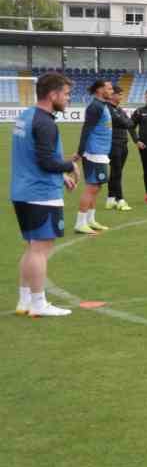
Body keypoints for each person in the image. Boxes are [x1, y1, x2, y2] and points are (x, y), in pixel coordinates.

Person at [12, 72, 79, 318]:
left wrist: (61, 175)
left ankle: (24, 300)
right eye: (67, 94)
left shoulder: (26, 115)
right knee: (41, 249)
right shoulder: (45, 123)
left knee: (32, 248)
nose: (69, 98)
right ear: (53, 95)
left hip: (23, 191)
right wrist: (68, 166)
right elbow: (47, 162)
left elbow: (35, 156)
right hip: (40, 193)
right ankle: (38, 303)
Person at [72, 79, 114, 234]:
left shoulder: (103, 105)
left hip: (100, 152)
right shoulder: (95, 107)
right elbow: (86, 129)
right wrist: (80, 152)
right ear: (99, 90)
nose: (112, 91)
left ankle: (90, 220)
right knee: (92, 187)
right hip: (94, 152)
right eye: (108, 88)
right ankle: (80, 222)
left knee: (97, 187)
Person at [105, 85, 135, 212]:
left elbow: (130, 123)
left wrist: (125, 121)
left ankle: (110, 199)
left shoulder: (119, 109)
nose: (122, 96)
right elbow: (124, 123)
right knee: (117, 173)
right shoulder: (108, 109)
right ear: (113, 95)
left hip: (123, 143)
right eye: (120, 94)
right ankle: (120, 200)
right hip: (113, 144)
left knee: (116, 173)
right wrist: (125, 121)